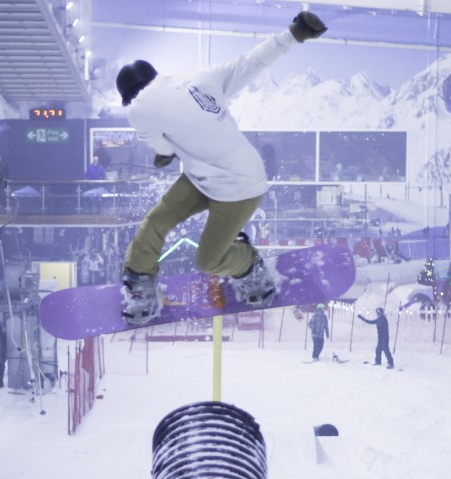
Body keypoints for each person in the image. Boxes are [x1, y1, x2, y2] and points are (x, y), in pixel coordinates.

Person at [114, 11, 328, 325]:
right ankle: (142, 282)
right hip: (210, 175)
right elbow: (251, 62)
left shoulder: (138, 109)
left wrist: (165, 153)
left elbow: (161, 148)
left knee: (196, 252)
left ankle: (247, 265)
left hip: (237, 189)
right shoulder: (199, 77)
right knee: (161, 224)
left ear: (129, 95)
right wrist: (294, 34)